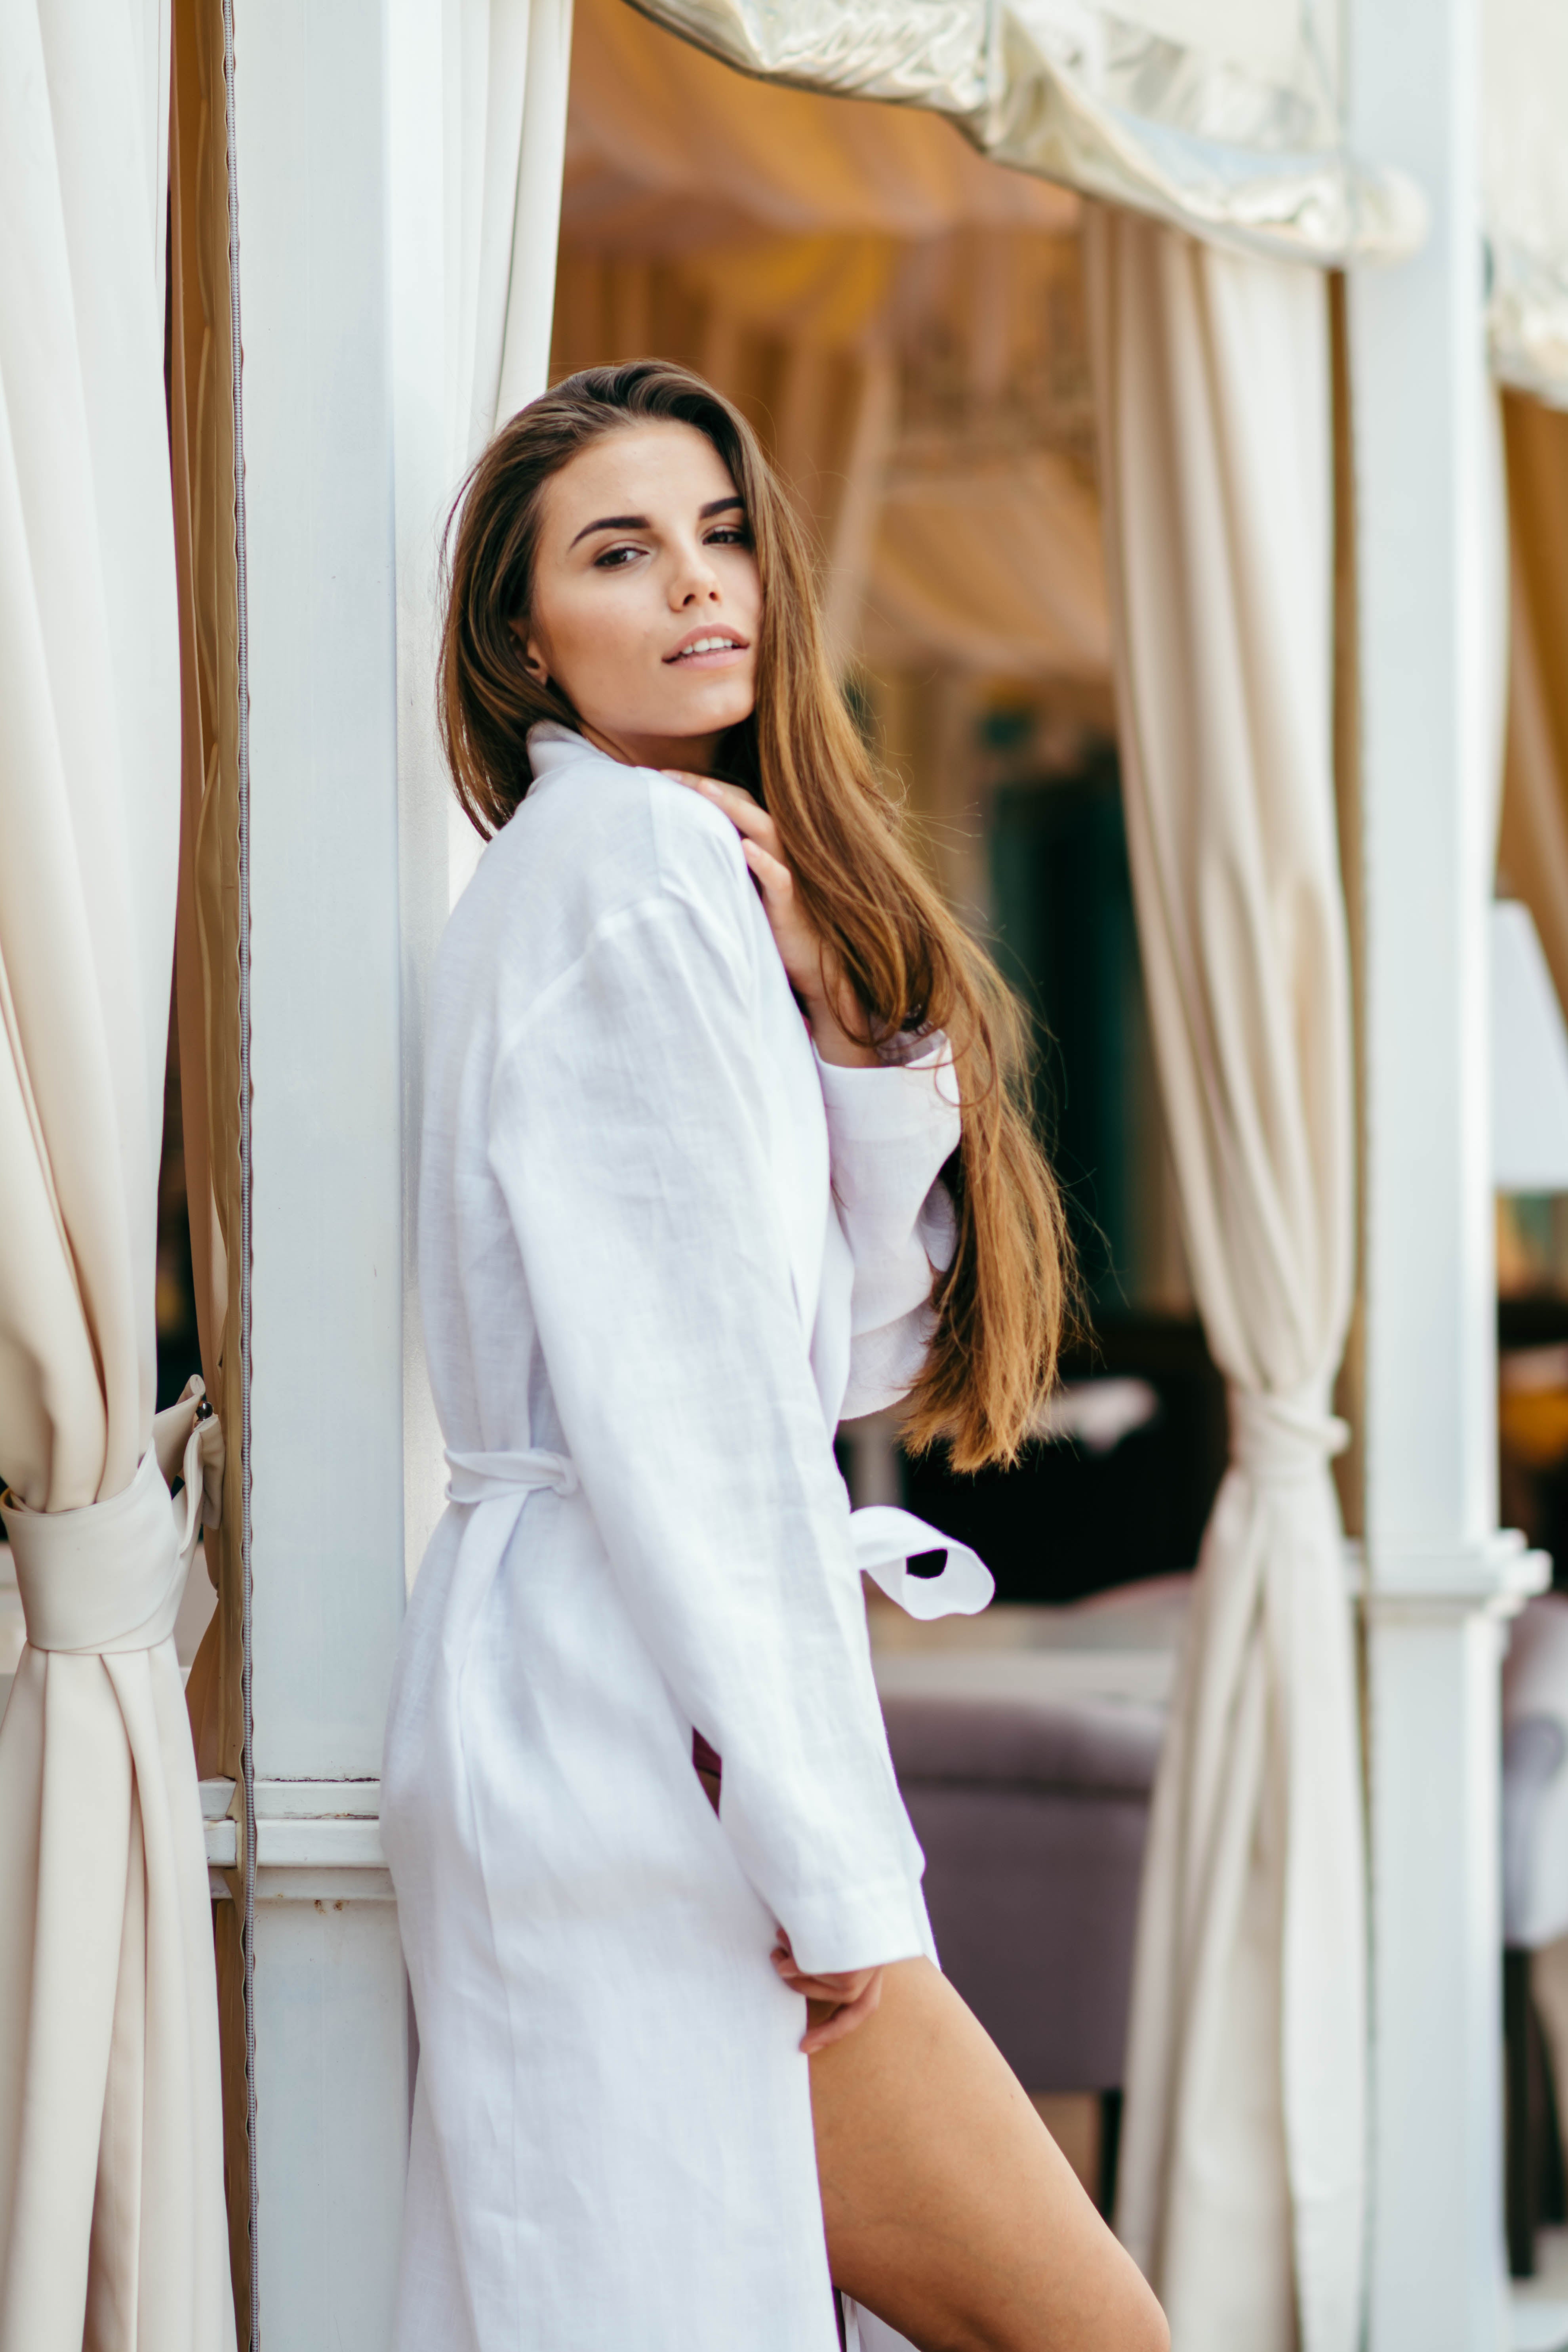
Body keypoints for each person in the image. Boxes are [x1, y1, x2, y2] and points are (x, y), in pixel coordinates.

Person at [381, 359, 1168, 2352]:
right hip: (645, 1726)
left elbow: (849, 1353)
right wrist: (833, 1868)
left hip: (613, 1696)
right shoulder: (631, 876)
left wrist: (848, 1028)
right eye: (619, 553)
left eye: (723, 534)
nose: (696, 585)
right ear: (521, 636)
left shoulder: (665, 873)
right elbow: (705, 1433)